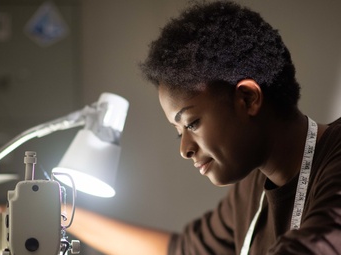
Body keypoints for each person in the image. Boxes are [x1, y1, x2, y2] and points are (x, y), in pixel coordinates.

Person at [67, 1, 341, 254]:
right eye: (178, 132)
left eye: (192, 123)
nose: (184, 149)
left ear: (248, 98)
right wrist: (63, 214)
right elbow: (180, 250)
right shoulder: (251, 190)